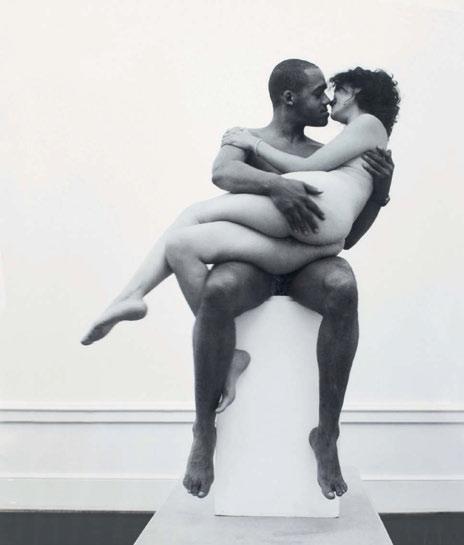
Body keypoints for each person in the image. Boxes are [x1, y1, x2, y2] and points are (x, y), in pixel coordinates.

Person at [81, 59, 397, 500]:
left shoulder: (333, 149)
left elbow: (348, 234)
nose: (327, 100)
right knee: (203, 270)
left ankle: (327, 435)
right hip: (258, 264)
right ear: (289, 98)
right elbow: (223, 174)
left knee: (342, 286)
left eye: (332, 92)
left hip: (306, 261)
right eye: (318, 93)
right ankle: (204, 430)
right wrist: (276, 186)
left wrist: (380, 194)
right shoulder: (247, 137)